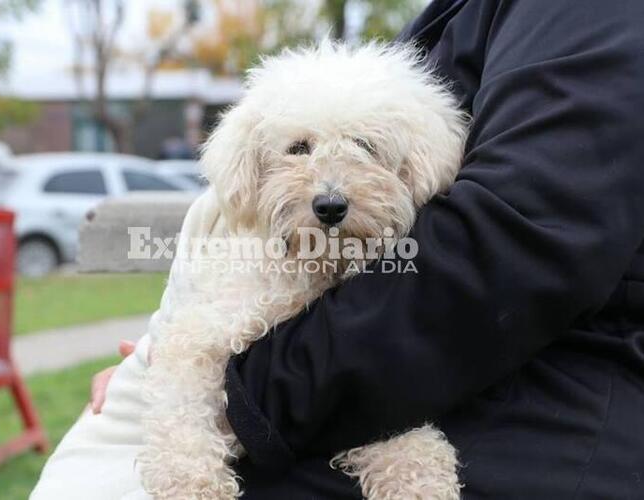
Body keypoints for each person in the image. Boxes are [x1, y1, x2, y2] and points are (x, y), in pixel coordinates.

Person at [84, 0, 644, 498]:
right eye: (298, 149)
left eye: (364, 148)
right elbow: (191, 355)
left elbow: (519, 237)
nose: (328, 187)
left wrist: (242, 395)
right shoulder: (445, 19)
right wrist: (164, 386)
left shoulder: (582, 17)